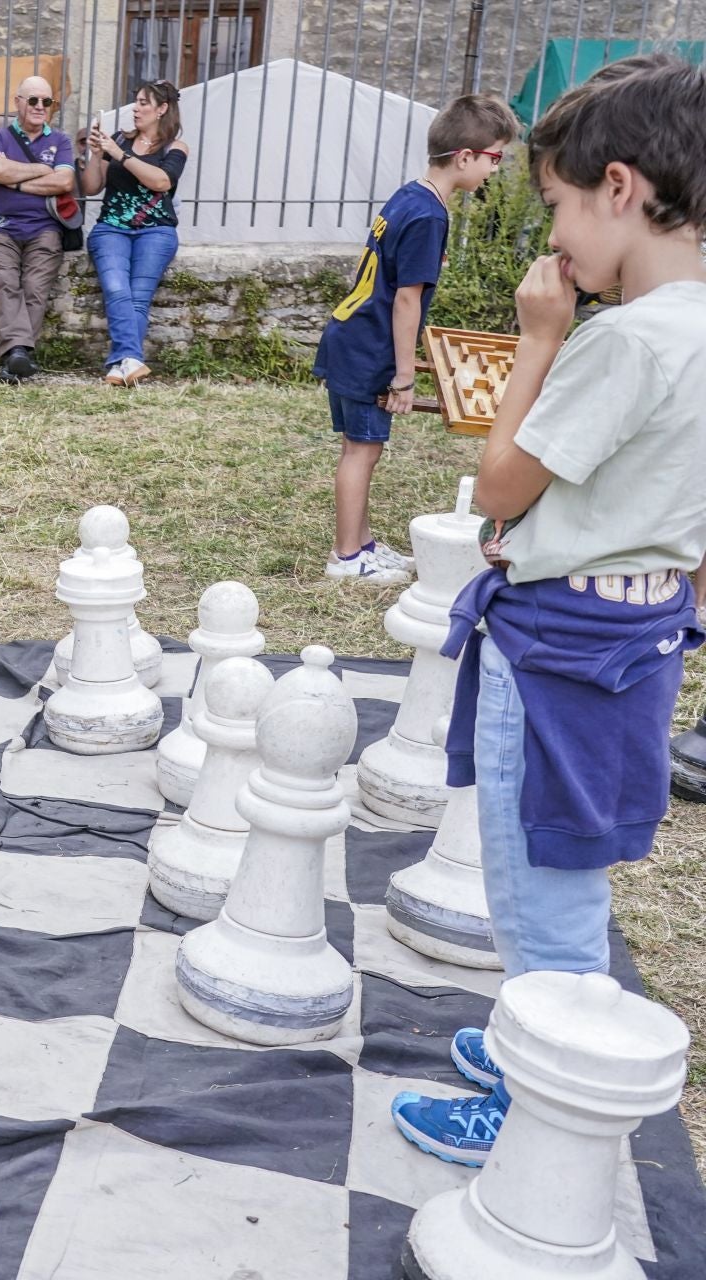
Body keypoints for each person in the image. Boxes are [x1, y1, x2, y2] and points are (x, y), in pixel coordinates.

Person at [387, 54, 706, 1167]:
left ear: (619, 187)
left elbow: (502, 483)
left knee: (539, 882)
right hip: (642, 636)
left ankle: (541, 1102)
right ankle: (542, 1040)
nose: (555, 240)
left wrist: (537, 341)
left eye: (561, 208)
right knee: (568, 859)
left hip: (562, 643)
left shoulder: (621, 339)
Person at [315, 93, 520, 584]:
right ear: (465, 156)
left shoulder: (411, 194)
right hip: (369, 350)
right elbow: (407, 301)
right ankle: (347, 558)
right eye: (494, 158)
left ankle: (362, 544)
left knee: (360, 447)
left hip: (350, 338)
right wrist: (404, 376)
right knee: (361, 451)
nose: (495, 169)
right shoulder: (431, 215)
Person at [76, 80, 189, 387]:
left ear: (162, 109)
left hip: (156, 231)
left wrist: (121, 155)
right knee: (116, 288)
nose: (135, 109)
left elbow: (162, 181)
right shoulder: (116, 140)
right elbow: (90, 187)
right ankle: (130, 361)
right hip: (111, 228)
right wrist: (95, 155)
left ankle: (119, 364)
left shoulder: (175, 148)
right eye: (135, 102)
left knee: (139, 299)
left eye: (143, 103)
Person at [0, 75, 78, 383]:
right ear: (17, 101)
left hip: (45, 228)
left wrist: (14, 179)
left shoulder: (60, 140)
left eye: (46, 102)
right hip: (1, 226)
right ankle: (20, 355)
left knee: (35, 286)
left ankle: (15, 355)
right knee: (6, 280)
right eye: (33, 100)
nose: (39, 107)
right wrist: (40, 171)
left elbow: (64, 181)